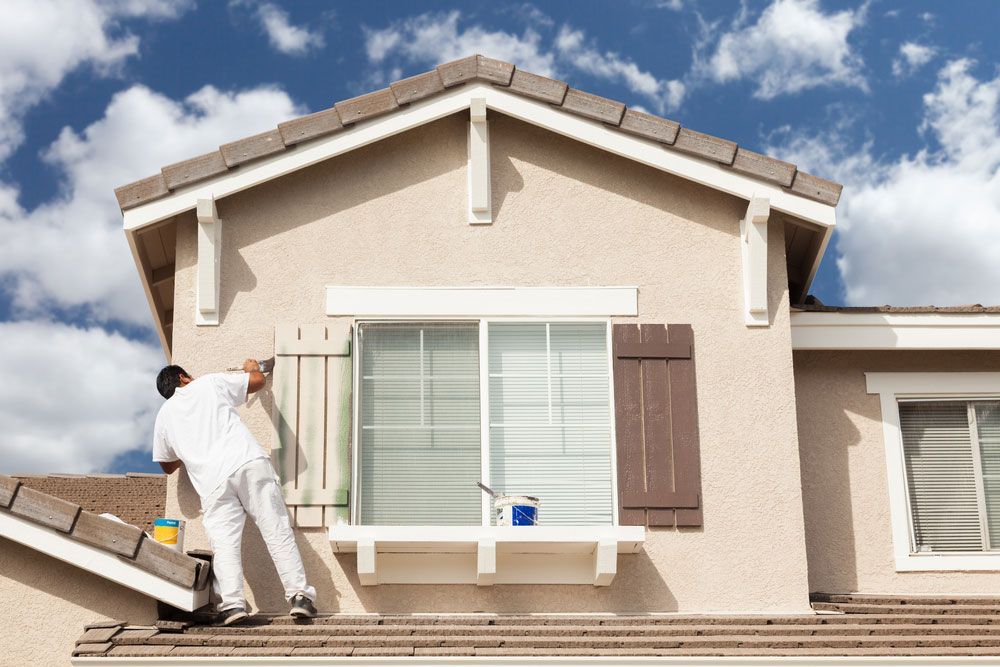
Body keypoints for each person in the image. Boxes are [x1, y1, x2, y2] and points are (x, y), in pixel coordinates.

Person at [152, 360, 317, 625]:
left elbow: (167, 465)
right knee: (275, 529)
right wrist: (251, 367)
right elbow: (257, 381)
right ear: (183, 378)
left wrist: (189, 442)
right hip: (246, 462)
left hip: (212, 482)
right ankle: (299, 597)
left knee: (224, 544)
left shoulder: (164, 417)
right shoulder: (207, 383)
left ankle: (232, 605)